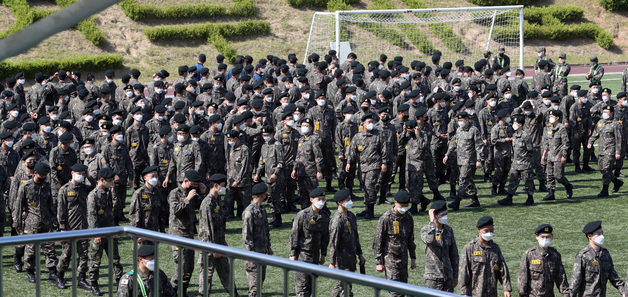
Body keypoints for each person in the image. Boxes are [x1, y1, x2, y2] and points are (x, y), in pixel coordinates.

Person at [13, 162, 59, 284]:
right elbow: (18, 205)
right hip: (30, 222)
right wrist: (17, 223)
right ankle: (30, 271)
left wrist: (54, 219)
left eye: (45, 175)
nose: (43, 177)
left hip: (46, 221)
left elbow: (51, 204)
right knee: (30, 248)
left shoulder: (47, 186)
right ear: (35, 173)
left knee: (49, 247)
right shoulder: (26, 187)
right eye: (41, 175)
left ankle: (52, 272)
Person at [197, 174, 239, 296]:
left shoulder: (217, 201)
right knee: (207, 274)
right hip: (209, 246)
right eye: (222, 186)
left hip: (219, 244)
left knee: (226, 272)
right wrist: (213, 248)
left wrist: (223, 242)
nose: (224, 188)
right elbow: (206, 228)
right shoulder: (207, 203)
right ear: (215, 186)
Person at [168, 170, 206, 295]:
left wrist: (203, 192)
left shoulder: (193, 193)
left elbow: (203, 206)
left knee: (189, 267)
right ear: (185, 181)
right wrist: (187, 199)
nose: (194, 186)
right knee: (182, 266)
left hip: (189, 233)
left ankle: (183, 290)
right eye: (193, 183)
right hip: (177, 234)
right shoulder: (175, 193)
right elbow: (175, 211)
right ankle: (172, 290)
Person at [87, 168, 124, 296]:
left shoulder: (109, 192)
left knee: (115, 260)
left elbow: (117, 207)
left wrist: (113, 193)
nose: (112, 183)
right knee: (96, 261)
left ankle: (119, 281)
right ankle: (94, 284)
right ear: (101, 180)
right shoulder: (93, 195)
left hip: (111, 231)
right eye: (110, 181)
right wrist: (95, 234)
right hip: (98, 233)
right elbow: (92, 216)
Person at [372, 190, 416, 297]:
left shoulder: (408, 217)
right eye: (402, 205)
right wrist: (379, 262)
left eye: (406, 205)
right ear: (395, 202)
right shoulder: (386, 218)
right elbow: (378, 240)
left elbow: (410, 239)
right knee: (395, 292)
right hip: (390, 260)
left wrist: (413, 258)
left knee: (403, 291)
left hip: (403, 261)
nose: (404, 208)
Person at [346, 113, 389, 219]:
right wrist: (349, 163)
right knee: (365, 188)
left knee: (370, 187)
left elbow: (384, 150)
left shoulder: (379, 135)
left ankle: (370, 211)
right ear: (363, 124)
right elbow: (352, 151)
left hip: (374, 166)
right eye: (369, 122)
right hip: (362, 167)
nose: (371, 124)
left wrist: (384, 163)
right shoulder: (358, 136)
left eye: (372, 122)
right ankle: (366, 209)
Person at [56, 163, 91, 290]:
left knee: (84, 254)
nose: (81, 176)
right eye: (79, 174)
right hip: (69, 228)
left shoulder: (85, 188)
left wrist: (88, 176)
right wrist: (62, 227)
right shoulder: (64, 190)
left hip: (83, 227)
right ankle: (60, 276)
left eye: (83, 174)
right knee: (66, 255)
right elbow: (61, 211)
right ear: (72, 173)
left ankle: (81, 279)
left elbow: (96, 186)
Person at [289, 187, 330, 297]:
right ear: (311, 199)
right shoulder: (303, 215)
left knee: (311, 288)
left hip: (315, 257)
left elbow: (325, 237)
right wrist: (293, 254)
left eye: (323, 199)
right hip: (302, 256)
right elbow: (294, 235)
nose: (321, 202)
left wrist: (323, 254)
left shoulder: (325, 217)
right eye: (318, 199)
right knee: (302, 289)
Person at [459, 216, 512, 297]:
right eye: (486, 231)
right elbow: (464, 272)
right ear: (479, 230)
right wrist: (464, 293)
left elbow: (502, 269)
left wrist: (506, 288)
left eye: (491, 231)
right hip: (474, 293)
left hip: (492, 293)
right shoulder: (469, 248)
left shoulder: (495, 248)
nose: (489, 233)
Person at [570, 221, 626, 297]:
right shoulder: (583, 256)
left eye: (602, 233)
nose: (602, 236)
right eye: (598, 234)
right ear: (589, 236)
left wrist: (623, 291)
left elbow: (613, 277)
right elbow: (575, 281)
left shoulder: (605, 254)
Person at [328, 188, 365, 297]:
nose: (350, 201)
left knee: (344, 285)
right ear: (339, 203)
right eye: (347, 199)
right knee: (343, 285)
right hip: (342, 259)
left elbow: (355, 237)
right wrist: (332, 262)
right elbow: (333, 242)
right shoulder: (337, 220)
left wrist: (360, 254)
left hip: (351, 257)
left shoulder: (351, 216)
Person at [517, 224, 570, 297]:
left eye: (548, 237)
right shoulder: (529, 255)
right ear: (537, 236)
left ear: (552, 237)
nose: (545, 239)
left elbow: (561, 277)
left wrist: (566, 293)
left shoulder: (555, 255)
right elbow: (522, 279)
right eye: (542, 237)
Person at [444, 112, 483, 209]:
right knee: (468, 181)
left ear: (467, 119)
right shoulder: (459, 130)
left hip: (469, 160)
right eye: (459, 120)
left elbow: (479, 145)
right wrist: (447, 154)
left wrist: (479, 159)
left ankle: (457, 201)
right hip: (459, 159)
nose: (460, 122)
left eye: (462, 120)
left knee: (462, 180)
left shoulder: (474, 130)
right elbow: (453, 143)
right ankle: (475, 200)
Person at [242, 182, 273, 297]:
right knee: (255, 288)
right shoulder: (249, 212)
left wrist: (268, 247)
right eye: (265, 194)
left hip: (262, 252)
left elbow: (265, 231)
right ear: (262, 195)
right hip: (253, 255)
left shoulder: (261, 210)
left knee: (260, 283)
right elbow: (247, 237)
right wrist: (251, 256)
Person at [420, 200, 458, 292]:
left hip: (447, 277)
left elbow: (454, 254)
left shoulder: (448, 230)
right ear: (435, 215)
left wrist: (455, 275)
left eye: (446, 214)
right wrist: (432, 223)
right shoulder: (426, 230)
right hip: (433, 278)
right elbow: (429, 240)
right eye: (442, 215)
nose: (445, 217)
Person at [587, 105, 624, 197]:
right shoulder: (600, 122)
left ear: (612, 113)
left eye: (607, 112)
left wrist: (618, 152)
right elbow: (595, 134)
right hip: (601, 150)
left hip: (610, 150)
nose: (605, 114)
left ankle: (605, 190)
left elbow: (619, 139)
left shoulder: (616, 124)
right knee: (602, 169)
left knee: (607, 169)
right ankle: (616, 181)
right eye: (604, 112)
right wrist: (590, 142)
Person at [499, 115, 535, 206]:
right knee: (512, 180)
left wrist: (528, 162)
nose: (514, 125)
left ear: (520, 125)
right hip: (515, 163)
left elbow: (530, 150)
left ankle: (530, 198)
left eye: (515, 123)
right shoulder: (514, 135)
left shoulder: (526, 136)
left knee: (527, 181)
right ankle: (509, 198)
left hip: (525, 163)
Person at [541, 110, 573, 201]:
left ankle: (568, 186)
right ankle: (551, 193)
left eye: (552, 116)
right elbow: (547, 142)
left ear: (557, 118)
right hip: (550, 155)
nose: (550, 118)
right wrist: (544, 155)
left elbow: (565, 143)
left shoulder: (561, 128)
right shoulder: (549, 128)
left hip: (558, 155)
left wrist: (564, 155)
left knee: (558, 176)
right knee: (549, 175)